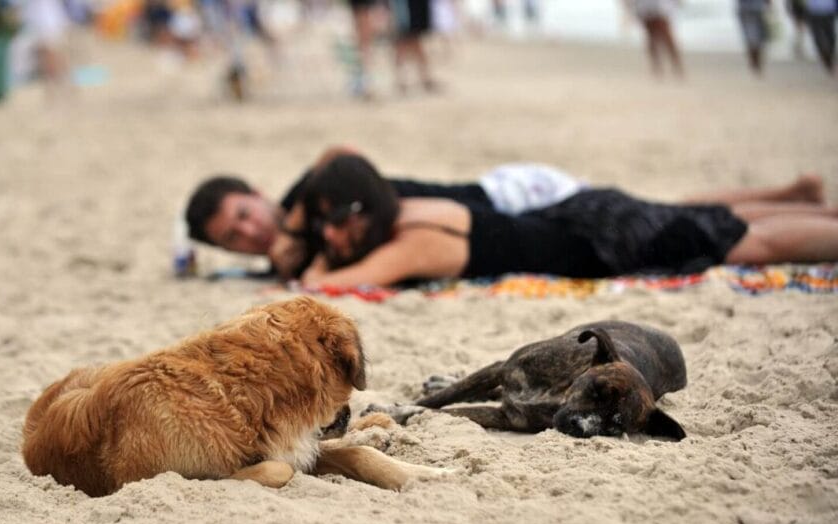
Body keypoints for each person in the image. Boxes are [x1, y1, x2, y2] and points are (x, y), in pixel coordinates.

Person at [182, 147, 831, 280]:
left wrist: (299, 228)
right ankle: (795, 193)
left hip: (518, 196)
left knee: (722, 233)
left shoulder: (324, 198)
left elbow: (338, 156)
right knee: (685, 218)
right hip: (563, 221)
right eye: (232, 237)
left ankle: (796, 198)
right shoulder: (362, 216)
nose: (248, 231)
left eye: (243, 213)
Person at [625, 0, 684, 79]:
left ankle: (673, 68)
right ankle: (660, 68)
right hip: (648, 7)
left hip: (656, 7)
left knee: (664, 38)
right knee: (654, 38)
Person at [736, 0, 772, 76]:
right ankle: (756, 61)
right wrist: (769, 4)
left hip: (745, 8)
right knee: (759, 36)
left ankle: (754, 61)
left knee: (750, 35)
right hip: (758, 8)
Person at [805, 0, 837, 75]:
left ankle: (828, 56)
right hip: (815, 11)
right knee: (820, 36)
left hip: (828, 11)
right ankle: (826, 55)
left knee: (830, 36)